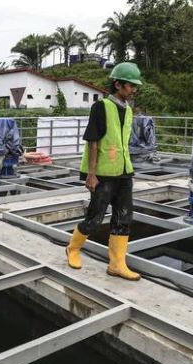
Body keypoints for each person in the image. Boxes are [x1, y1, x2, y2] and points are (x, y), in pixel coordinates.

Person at [65, 62, 142, 281]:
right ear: (117, 84)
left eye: (134, 86)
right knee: (95, 218)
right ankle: (73, 249)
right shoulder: (101, 107)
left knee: (124, 217)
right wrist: (91, 174)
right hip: (102, 173)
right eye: (130, 85)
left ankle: (117, 264)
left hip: (124, 172)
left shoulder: (128, 110)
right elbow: (93, 141)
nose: (133, 90)